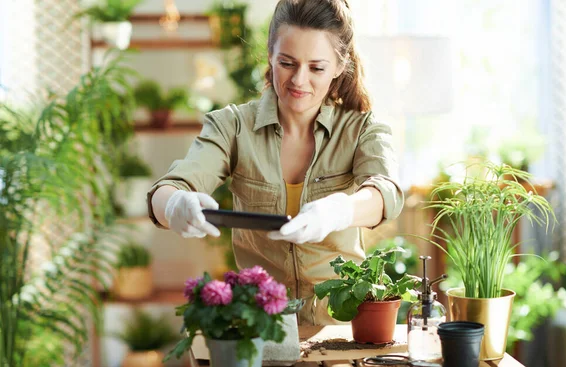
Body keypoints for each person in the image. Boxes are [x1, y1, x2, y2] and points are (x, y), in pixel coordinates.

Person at [147, 0, 403, 325]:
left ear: (340, 65)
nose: (299, 80)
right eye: (287, 62)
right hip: (262, 325)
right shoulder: (233, 127)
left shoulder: (362, 129)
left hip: (343, 325)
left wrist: (339, 211)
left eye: (317, 68)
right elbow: (166, 191)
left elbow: (386, 194)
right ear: (270, 54)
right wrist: (175, 206)